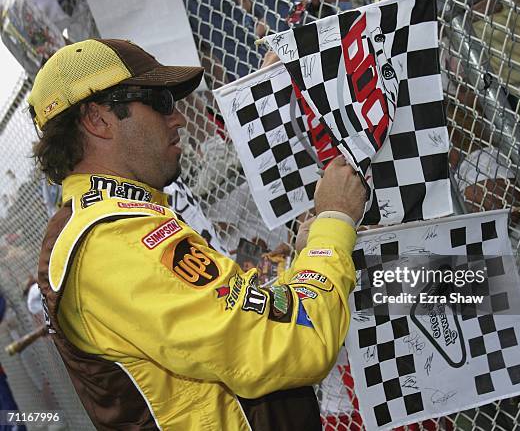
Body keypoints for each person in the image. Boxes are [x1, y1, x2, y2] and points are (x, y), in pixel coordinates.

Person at [28, 38, 366, 430]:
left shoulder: (110, 222)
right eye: (160, 102)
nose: (179, 119)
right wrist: (334, 222)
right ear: (98, 119)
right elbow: (288, 344)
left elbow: (242, 319)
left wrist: (304, 260)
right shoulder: (115, 240)